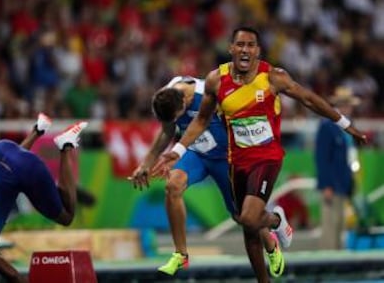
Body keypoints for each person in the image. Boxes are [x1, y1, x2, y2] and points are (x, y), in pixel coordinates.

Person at [153, 26, 367, 282]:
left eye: (250, 45)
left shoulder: (273, 77)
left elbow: (309, 99)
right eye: (240, 44)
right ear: (231, 48)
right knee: (246, 224)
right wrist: (176, 151)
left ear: (257, 50)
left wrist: (344, 123)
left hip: (266, 157)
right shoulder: (216, 80)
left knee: (249, 217)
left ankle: (276, 220)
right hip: (237, 160)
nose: (245, 49)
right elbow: (201, 121)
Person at [130, 76, 284, 277]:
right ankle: (181, 254)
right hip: (196, 154)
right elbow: (168, 131)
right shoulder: (167, 97)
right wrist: (146, 163)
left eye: (180, 116)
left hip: (225, 157)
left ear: (185, 103)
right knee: (172, 186)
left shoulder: (211, 94)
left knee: (242, 216)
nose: (177, 121)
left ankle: (272, 241)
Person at [0, 113, 88, 282]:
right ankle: (38, 130)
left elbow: (6, 270)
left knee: (67, 216)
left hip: (25, 169)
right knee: (11, 169)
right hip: (2, 151)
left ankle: (66, 145)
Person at [315, 86, 360, 250]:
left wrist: (350, 181)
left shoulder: (347, 126)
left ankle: (338, 259)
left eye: (348, 104)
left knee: (341, 224)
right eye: (344, 104)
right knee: (330, 224)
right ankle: (327, 261)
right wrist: (326, 184)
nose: (348, 107)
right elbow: (322, 158)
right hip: (332, 184)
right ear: (339, 105)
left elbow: (350, 155)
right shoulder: (327, 126)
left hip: (343, 183)